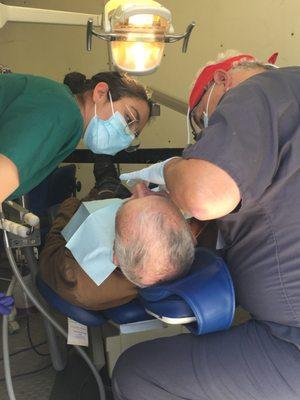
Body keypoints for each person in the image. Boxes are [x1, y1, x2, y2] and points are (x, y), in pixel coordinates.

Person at [112, 50, 300, 400]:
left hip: (291, 341)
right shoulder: (285, 104)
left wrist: (171, 168)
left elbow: (203, 194)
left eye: (201, 119)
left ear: (220, 82)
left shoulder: (254, 91)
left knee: (136, 372)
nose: (206, 136)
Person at [39, 176, 195, 310]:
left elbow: (55, 241)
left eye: (130, 200)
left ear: (115, 256)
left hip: (60, 257)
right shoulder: (185, 246)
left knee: (72, 206)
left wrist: (70, 205)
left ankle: (104, 186)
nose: (139, 187)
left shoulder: (73, 276)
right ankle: (106, 185)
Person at [0, 70, 151, 203]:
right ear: (101, 93)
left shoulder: (67, 119)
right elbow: (4, 173)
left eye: (134, 134)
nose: (127, 136)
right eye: (129, 119)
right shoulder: (64, 111)